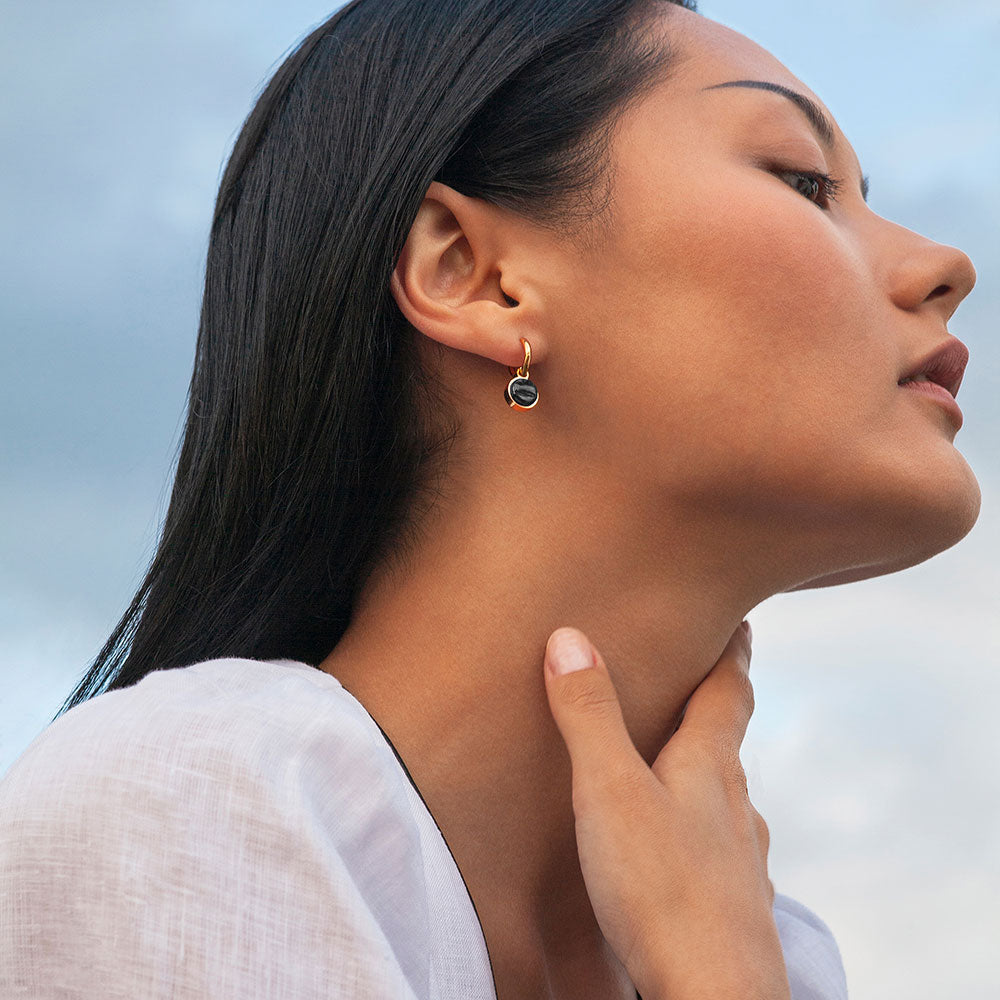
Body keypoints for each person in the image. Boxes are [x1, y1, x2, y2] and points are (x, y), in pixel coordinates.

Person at [0, 0, 979, 997]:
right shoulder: (180, 805)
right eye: (804, 183)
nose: (947, 266)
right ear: (473, 275)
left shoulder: (779, 955)